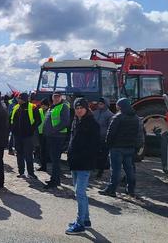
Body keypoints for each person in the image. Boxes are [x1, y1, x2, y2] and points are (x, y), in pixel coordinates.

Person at [66, 98, 100, 234]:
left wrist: (85, 157)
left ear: (86, 108)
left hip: (84, 163)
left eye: (81, 107)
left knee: (79, 193)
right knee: (80, 193)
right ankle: (86, 220)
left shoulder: (92, 124)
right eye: (77, 108)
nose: (79, 110)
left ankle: (80, 224)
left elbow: (95, 146)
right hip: (75, 162)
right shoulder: (76, 121)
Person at [99, 98, 143, 198]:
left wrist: (108, 144)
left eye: (118, 105)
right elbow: (138, 134)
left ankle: (111, 189)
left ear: (120, 106)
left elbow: (111, 133)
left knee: (116, 170)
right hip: (130, 148)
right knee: (129, 170)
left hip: (117, 148)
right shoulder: (136, 118)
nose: (116, 107)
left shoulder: (118, 117)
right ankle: (131, 190)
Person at [10, 93, 41, 179]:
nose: (18, 100)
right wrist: (12, 130)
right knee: (19, 154)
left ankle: (30, 173)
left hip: (28, 136)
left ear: (23, 99)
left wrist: (31, 130)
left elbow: (38, 120)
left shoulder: (33, 107)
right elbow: (11, 119)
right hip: (17, 136)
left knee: (28, 155)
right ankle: (21, 172)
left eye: (19, 98)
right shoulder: (16, 107)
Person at [43, 93, 70, 189]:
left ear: (61, 97)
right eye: (54, 96)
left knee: (55, 160)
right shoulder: (53, 106)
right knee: (54, 159)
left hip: (57, 137)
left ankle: (54, 181)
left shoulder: (63, 107)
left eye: (58, 96)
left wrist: (52, 131)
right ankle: (55, 179)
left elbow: (65, 122)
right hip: (51, 136)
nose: (56, 98)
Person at [92, 97, 113, 178]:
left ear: (106, 105)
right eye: (99, 103)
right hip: (94, 138)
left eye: (101, 104)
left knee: (103, 156)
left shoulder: (110, 115)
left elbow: (110, 128)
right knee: (93, 154)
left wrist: (107, 138)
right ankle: (93, 168)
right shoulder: (95, 113)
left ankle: (100, 171)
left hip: (103, 138)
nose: (99, 105)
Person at [36, 98, 50, 171]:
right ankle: (43, 166)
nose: (43, 107)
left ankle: (48, 163)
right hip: (40, 132)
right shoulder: (39, 111)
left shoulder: (50, 111)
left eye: (44, 105)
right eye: (42, 105)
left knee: (48, 150)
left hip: (48, 133)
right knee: (42, 150)